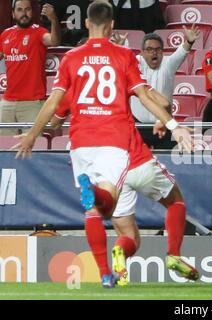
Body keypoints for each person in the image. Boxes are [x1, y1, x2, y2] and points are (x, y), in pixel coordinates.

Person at [13, 0, 192, 288]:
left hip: (81, 145)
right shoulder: (123, 55)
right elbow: (149, 97)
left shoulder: (71, 58)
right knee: (161, 199)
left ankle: (106, 272)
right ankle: (172, 252)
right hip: (118, 144)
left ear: (86, 24)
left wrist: (34, 134)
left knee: (98, 212)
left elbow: (55, 106)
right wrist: (173, 125)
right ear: (111, 26)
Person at [51, 100, 200, 286]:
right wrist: (166, 120)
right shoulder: (118, 83)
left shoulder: (77, 87)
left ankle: (119, 253)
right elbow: (162, 101)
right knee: (175, 201)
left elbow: (54, 120)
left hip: (111, 173)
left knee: (129, 237)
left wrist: (35, 132)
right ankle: (174, 256)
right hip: (139, 162)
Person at [128, 26, 200, 149]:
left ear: (162, 51)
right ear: (143, 52)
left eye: (157, 49)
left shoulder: (168, 63)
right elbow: (123, 59)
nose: (153, 53)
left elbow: (180, 53)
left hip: (164, 124)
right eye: (149, 49)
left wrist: (189, 41)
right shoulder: (135, 63)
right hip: (139, 127)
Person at [0, 0, 61, 135]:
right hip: (7, 103)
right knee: (3, 149)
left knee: (34, 150)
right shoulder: (5, 35)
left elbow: (54, 41)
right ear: (13, 13)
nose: (24, 14)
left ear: (32, 12)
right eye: (20, 10)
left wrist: (53, 19)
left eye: (27, 9)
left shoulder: (39, 32)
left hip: (32, 103)